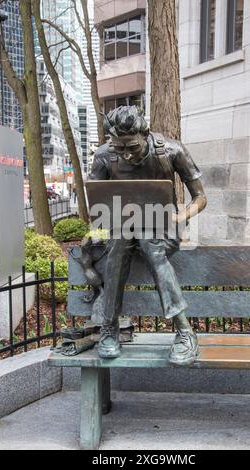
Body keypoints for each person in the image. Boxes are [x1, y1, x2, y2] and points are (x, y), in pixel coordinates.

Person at [89, 106, 207, 366]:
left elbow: (200, 197)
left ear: (145, 134)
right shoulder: (103, 156)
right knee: (121, 240)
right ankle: (109, 328)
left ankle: (184, 332)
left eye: (132, 146)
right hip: (123, 228)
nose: (127, 155)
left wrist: (180, 217)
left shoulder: (172, 151)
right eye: (120, 148)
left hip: (165, 227)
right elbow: (95, 202)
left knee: (149, 242)